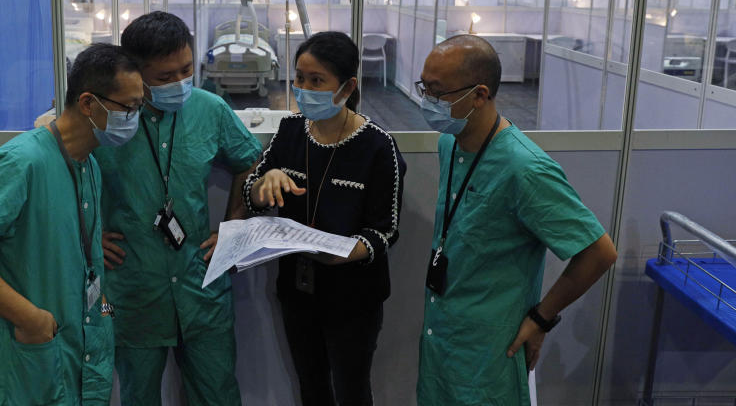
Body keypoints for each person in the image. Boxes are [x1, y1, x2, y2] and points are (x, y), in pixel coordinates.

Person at [0, 44, 143, 406]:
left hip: (74, 354)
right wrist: (32, 320)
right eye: (129, 108)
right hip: (26, 361)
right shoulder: (22, 162)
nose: (135, 118)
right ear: (89, 103)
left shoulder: (87, 165)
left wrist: (103, 311)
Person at [414, 35, 618, 405]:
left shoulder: (525, 169)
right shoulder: (450, 143)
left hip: (491, 353)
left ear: (479, 95)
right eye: (423, 87)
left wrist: (541, 319)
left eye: (437, 91)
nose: (426, 100)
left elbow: (599, 253)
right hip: (442, 337)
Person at [94, 11, 263, 406]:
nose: (179, 83)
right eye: (164, 77)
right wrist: (86, 235)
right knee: (138, 395)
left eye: (186, 70)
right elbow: (66, 173)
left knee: (218, 392)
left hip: (200, 284)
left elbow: (249, 162)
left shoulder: (210, 110)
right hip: (133, 288)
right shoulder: (109, 118)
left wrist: (233, 225)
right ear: (135, 73)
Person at [243, 31, 405, 406]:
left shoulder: (378, 147)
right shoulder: (289, 132)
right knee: (311, 387)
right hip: (298, 291)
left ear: (346, 87)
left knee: (351, 390)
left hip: (353, 298)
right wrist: (263, 182)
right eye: (299, 78)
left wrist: (346, 253)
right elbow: (251, 194)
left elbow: (387, 229)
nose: (303, 88)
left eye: (316, 81)